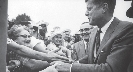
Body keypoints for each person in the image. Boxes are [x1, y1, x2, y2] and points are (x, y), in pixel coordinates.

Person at [54, 0, 133, 72]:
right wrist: (74, 63)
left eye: (89, 9)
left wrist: (70, 68)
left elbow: (111, 68)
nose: (86, 13)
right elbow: (92, 57)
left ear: (104, 8)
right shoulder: (94, 31)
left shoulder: (125, 29)